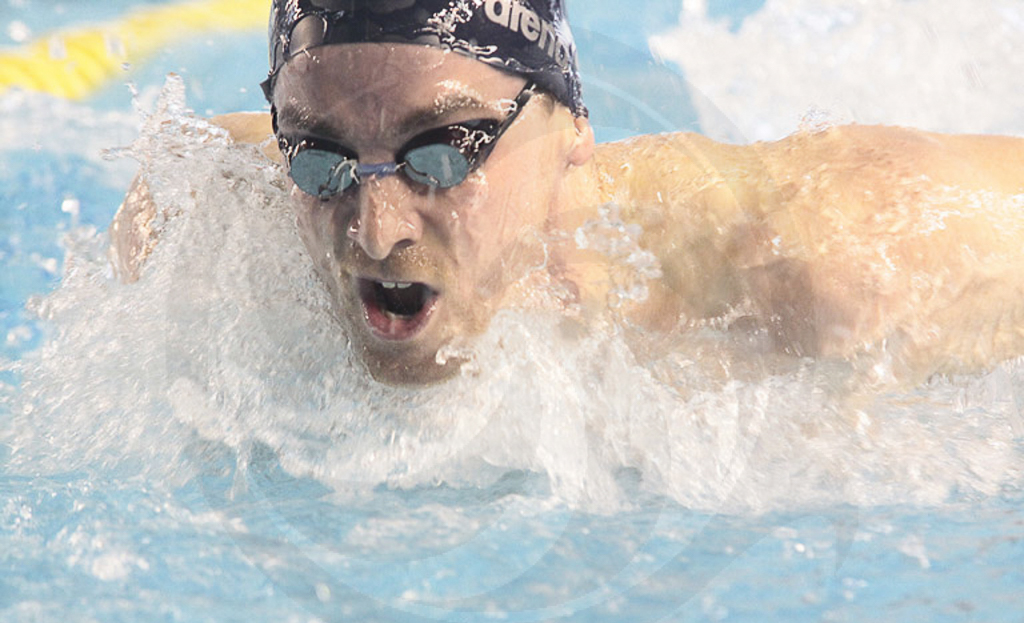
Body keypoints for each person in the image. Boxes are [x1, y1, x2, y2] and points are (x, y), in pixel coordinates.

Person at [111, 0, 1024, 385]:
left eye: (444, 154)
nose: (377, 233)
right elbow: (183, 172)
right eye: (321, 157)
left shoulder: (825, 262)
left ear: (573, 127)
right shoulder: (204, 211)